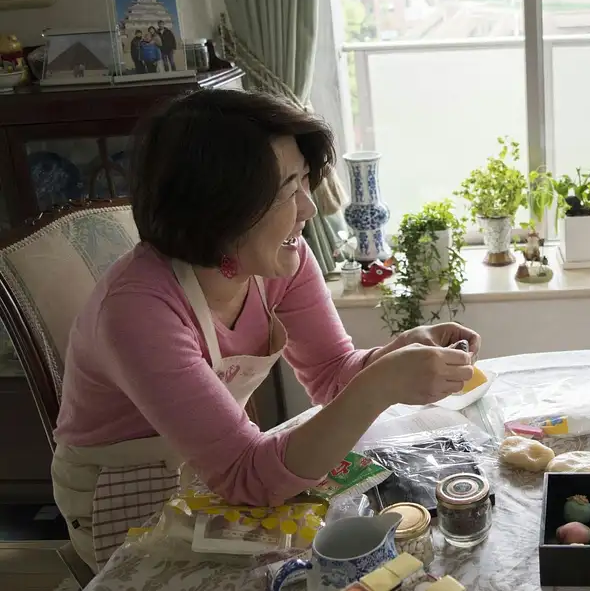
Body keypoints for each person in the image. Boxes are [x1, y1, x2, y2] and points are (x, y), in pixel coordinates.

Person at [50, 88, 481, 572]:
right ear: (219, 206)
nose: (308, 208)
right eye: (287, 190)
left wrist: (396, 353)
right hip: (122, 491)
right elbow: (246, 475)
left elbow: (333, 373)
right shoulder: (136, 310)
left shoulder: (282, 258)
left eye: (305, 181)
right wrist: (381, 386)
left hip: (213, 472)